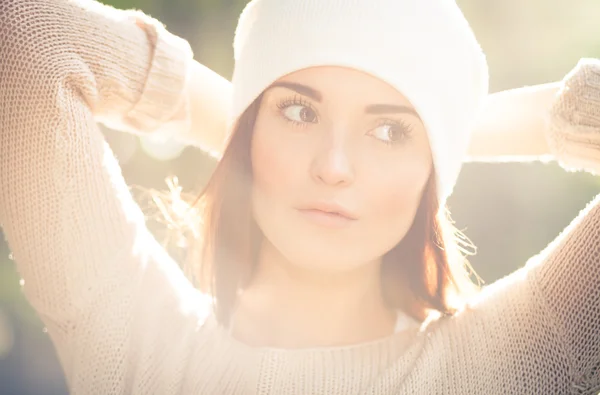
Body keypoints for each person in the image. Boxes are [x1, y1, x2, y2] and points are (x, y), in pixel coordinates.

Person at [0, 0, 599, 393]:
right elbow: (26, 40)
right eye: (296, 111)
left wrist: (449, 136)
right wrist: (239, 127)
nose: (334, 167)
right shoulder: (139, 349)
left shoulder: (509, 362)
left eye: (391, 131)